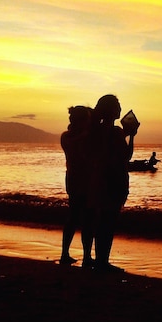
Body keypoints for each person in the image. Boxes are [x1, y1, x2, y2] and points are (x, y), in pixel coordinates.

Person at [90, 94, 138, 272]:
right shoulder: (115, 132)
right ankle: (103, 262)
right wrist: (132, 136)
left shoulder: (97, 131)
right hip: (115, 180)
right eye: (117, 106)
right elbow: (126, 156)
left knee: (101, 221)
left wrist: (124, 134)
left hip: (100, 179)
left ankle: (99, 259)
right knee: (108, 222)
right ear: (111, 110)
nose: (120, 108)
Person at [59, 105, 94, 266]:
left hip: (76, 178)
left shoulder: (68, 136)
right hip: (78, 179)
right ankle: (75, 255)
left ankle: (76, 254)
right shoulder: (69, 137)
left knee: (78, 217)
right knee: (81, 217)